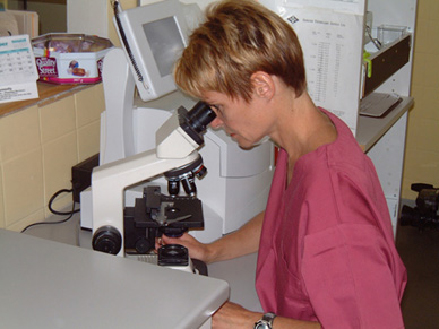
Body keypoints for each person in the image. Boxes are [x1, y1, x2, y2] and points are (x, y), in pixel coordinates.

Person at [161, 0, 407, 328]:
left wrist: (252, 323)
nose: (215, 123)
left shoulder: (334, 204)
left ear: (262, 86)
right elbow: (286, 219)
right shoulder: (310, 137)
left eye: (218, 107)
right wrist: (212, 251)